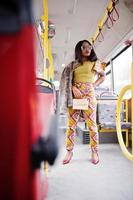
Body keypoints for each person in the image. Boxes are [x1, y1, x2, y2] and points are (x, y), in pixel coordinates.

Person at [59, 40, 105, 165]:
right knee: (71, 125)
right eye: (84, 47)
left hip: (89, 96)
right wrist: (73, 88)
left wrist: (93, 86)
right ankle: (69, 151)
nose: (87, 49)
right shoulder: (73, 64)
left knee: (92, 125)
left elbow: (103, 76)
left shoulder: (95, 63)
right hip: (74, 96)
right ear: (79, 49)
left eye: (89, 47)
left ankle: (94, 151)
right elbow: (68, 80)